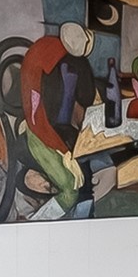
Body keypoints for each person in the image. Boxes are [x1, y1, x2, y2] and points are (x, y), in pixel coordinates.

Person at [20, 21, 98, 210]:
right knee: (72, 189)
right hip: (41, 135)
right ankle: (43, 220)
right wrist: (65, 154)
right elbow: (86, 97)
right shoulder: (74, 64)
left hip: (33, 126)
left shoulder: (44, 47)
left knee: (84, 173)